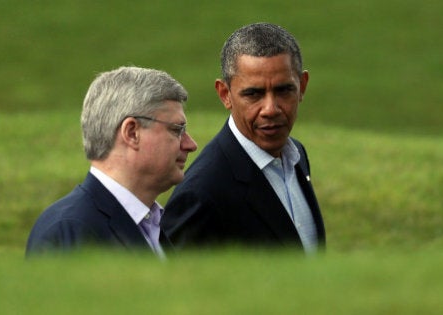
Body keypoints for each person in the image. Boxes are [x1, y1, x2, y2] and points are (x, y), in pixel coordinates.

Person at [162, 22, 326, 254]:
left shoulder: (296, 156)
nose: (271, 108)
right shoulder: (200, 194)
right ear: (225, 94)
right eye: (253, 94)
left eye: (283, 90)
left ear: (302, 86)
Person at [26, 66, 198, 258]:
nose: (191, 145)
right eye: (177, 130)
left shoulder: (150, 224)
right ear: (132, 133)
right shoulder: (70, 231)